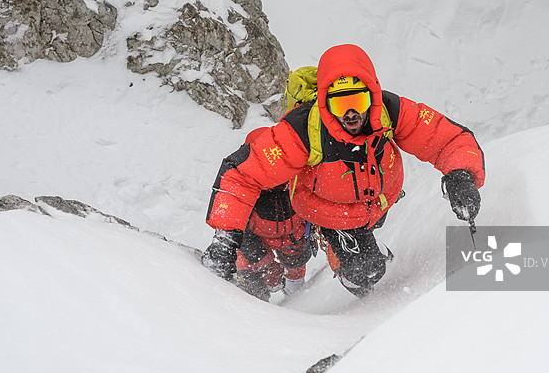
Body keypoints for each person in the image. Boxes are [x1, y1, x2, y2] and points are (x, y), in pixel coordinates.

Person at [203, 43, 485, 297]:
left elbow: (446, 137)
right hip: (333, 214)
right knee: (367, 273)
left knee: (371, 238)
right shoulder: (303, 131)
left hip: (378, 201)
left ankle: (364, 241)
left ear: (372, 95)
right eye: (340, 103)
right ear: (325, 102)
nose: (350, 114)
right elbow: (242, 173)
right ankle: (348, 263)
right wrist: (226, 237)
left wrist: (460, 174)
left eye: (358, 101)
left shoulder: (390, 110)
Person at [203, 128, 310, 301]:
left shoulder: (295, 174)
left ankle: (297, 298)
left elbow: (310, 204)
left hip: (292, 235)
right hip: (257, 240)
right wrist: (264, 262)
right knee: (249, 278)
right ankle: (256, 307)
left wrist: (302, 236)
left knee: (296, 260)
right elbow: (240, 231)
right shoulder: (244, 186)